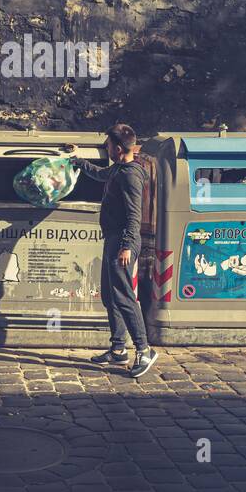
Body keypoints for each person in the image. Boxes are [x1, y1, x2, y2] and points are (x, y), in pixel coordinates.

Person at [64, 124, 159, 379]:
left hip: (123, 243)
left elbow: (134, 215)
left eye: (107, 146)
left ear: (118, 149)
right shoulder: (118, 169)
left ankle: (144, 350)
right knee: (110, 296)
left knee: (125, 297)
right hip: (114, 240)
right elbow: (100, 174)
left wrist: (127, 245)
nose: (106, 149)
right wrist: (78, 161)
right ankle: (118, 348)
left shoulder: (130, 176)